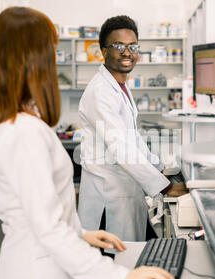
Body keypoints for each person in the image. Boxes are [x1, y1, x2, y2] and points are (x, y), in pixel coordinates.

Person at [0, 7, 174, 279]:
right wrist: (120, 276)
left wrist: (81, 235)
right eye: (50, 49)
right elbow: (46, 228)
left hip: (46, 266)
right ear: (28, 57)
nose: (54, 58)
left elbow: (37, 213)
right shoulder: (22, 132)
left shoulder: (12, 122)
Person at [78, 15, 188, 242]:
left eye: (132, 46)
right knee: (110, 265)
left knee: (130, 259)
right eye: (118, 46)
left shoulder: (120, 86)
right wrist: (165, 187)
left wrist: (161, 168)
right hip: (107, 203)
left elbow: (133, 139)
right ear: (104, 51)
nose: (127, 52)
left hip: (124, 193)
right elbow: (121, 148)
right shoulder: (101, 92)